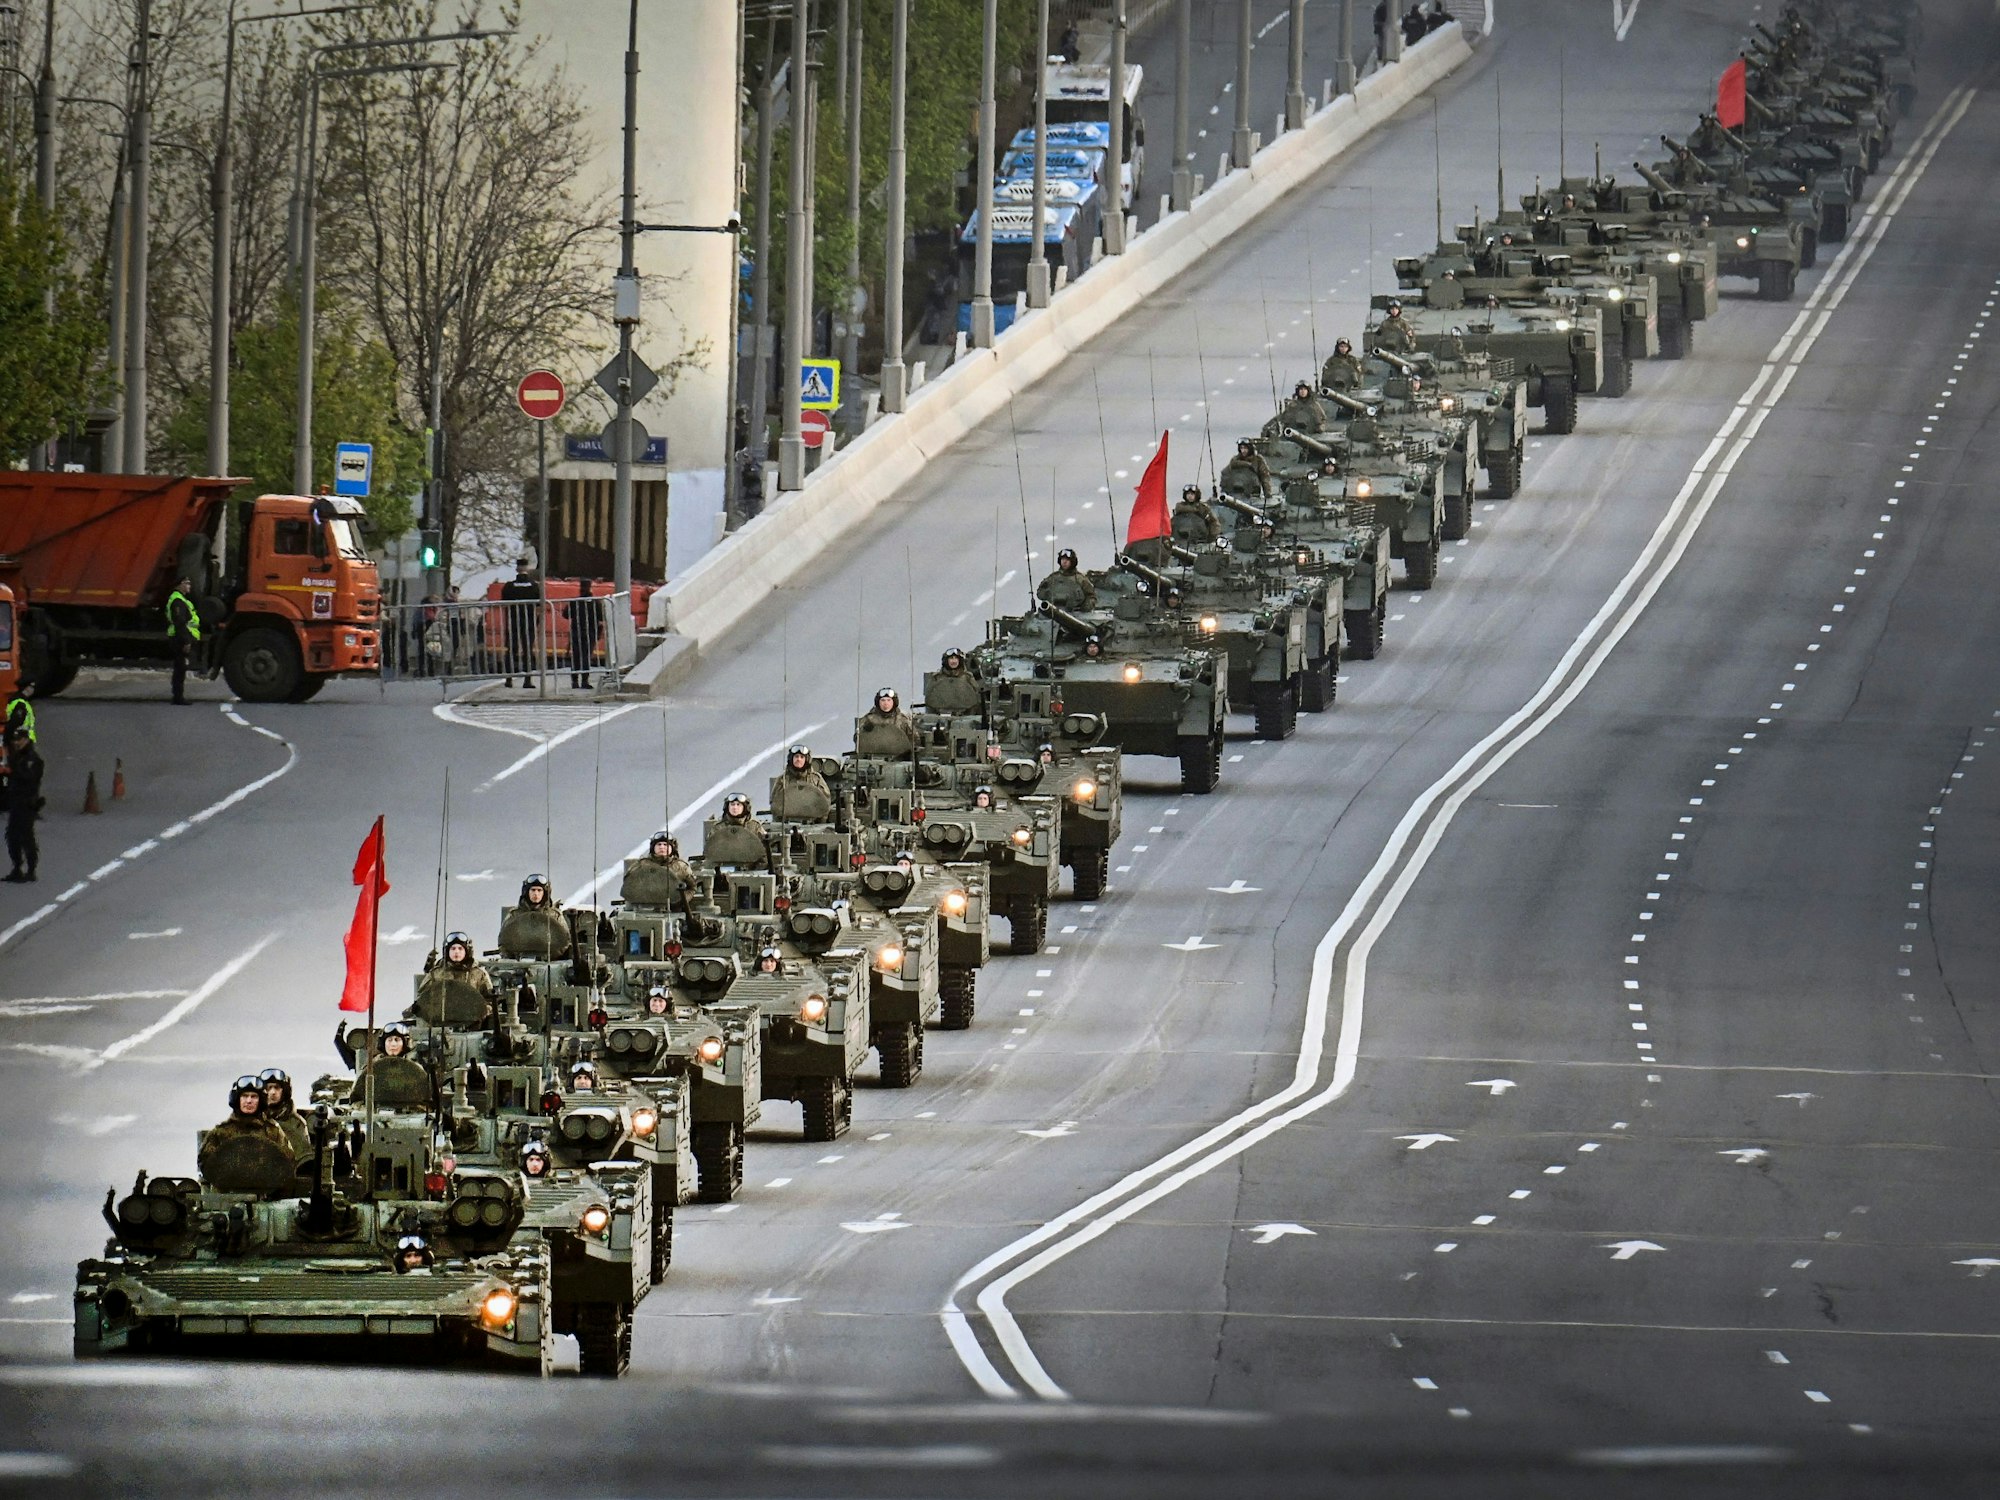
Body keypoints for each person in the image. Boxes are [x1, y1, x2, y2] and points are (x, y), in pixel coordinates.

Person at [197, 1075, 290, 1182]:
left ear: (261, 1100)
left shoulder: (273, 1132)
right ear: (237, 1099)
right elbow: (206, 1163)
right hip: (228, 1190)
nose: (249, 1101)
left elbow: (288, 1161)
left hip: (266, 1190)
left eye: (254, 1096)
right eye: (245, 1096)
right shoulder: (221, 1133)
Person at [417, 929, 497, 1025]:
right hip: (439, 1023)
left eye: (460, 949)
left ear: (467, 951)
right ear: (447, 951)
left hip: (473, 1024)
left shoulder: (479, 974)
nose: (456, 952)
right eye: (453, 949)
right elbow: (422, 998)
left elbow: (490, 999)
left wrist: (484, 1010)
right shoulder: (436, 973)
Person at [3, 727, 43, 883]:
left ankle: (31, 870)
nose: (16, 743)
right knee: (12, 836)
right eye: (15, 740)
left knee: (26, 836)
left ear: (26, 740)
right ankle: (17, 867)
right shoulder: (17, 757)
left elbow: (30, 779)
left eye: (19, 740)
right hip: (16, 802)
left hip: (27, 803)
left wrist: (15, 767)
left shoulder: (33, 759)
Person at [621, 831, 696, 909]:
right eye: (659, 844)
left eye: (665, 845)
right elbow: (630, 885)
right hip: (644, 908)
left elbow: (692, 887)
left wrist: (682, 901)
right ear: (653, 847)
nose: (662, 847)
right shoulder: (642, 865)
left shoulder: (681, 867)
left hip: (673, 909)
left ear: (672, 848)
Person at [498, 558, 540, 688]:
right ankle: (527, 680)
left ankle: (509, 679)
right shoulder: (534, 585)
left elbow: (504, 603)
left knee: (511, 650)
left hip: (513, 621)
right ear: (527, 568)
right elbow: (539, 605)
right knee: (528, 651)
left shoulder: (509, 586)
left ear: (517, 569)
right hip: (529, 621)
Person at [769, 745, 834, 821]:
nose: (798, 759)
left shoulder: (816, 779)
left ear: (807, 760)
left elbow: (825, 804)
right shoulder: (782, 780)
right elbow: (775, 804)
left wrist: (820, 822)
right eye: (796, 756)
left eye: (802, 757)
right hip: (787, 823)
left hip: (813, 823)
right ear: (791, 759)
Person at [259, 1068, 310, 1158]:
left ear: (284, 1091)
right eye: (269, 1088)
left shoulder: (296, 1123)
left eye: (277, 1087)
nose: (273, 1092)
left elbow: (303, 1157)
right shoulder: (255, 1119)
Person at [166, 576, 201, 705]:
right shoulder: (177, 601)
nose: (189, 586)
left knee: (180, 668)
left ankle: (178, 696)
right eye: (186, 583)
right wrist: (186, 641)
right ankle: (178, 697)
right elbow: (180, 622)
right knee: (180, 668)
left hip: (181, 637)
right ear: (179, 585)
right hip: (179, 638)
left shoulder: (182, 600)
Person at [855, 688, 921, 755]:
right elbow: (858, 739)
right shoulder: (869, 719)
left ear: (894, 702)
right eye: (883, 700)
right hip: (872, 755)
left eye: (889, 700)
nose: (886, 703)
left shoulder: (903, 720)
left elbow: (914, 739)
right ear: (878, 702)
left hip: (899, 757)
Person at [565, 584, 602, 691]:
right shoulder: (595, 602)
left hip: (576, 631)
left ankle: (574, 681)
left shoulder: (575, 601)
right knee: (586, 656)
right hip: (590, 631)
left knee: (576, 656)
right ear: (590, 589)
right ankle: (585, 681)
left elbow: (566, 615)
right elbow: (601, 617)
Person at [926, 649, 984, 714]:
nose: (954, 661)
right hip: (940, 715)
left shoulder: (967, 677)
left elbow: (976, 697)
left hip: (965, 715)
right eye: (951, 658)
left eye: (956, 658)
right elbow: (930, 699)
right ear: (946, 661)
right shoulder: (937, 678)